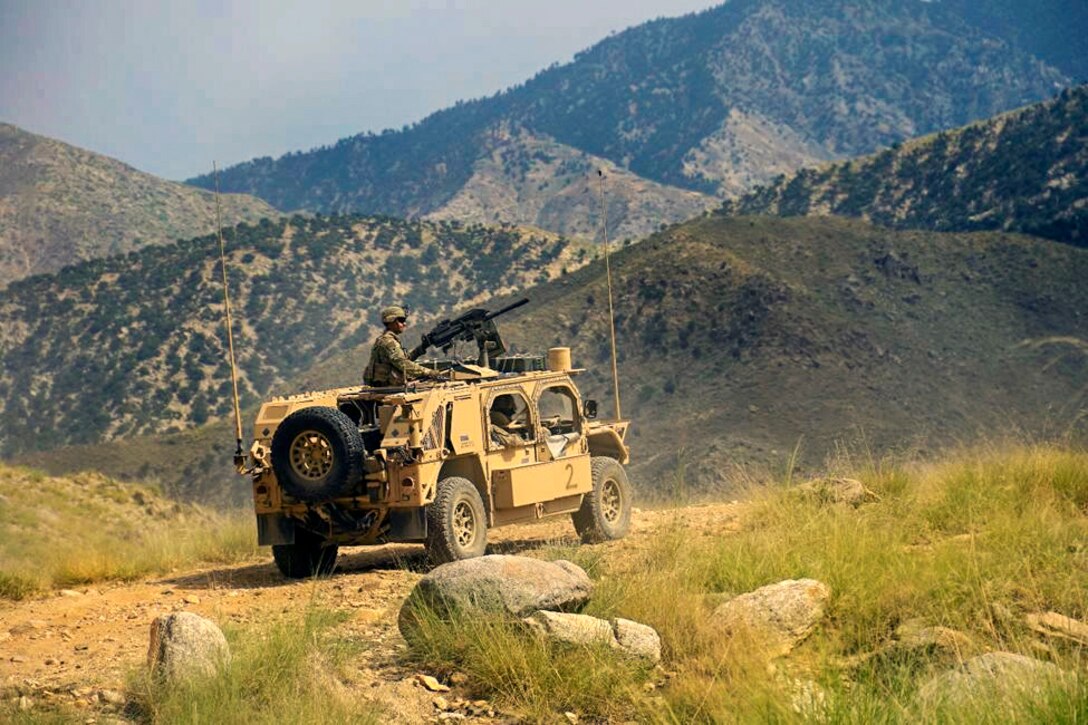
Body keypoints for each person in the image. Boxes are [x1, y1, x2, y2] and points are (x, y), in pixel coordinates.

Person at [364, 305, 439, 386]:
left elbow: (403, 359)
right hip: (388, 386)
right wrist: (428, 372)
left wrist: (422, 348)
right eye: (401, 320)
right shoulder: (389, 342)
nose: (405, 324)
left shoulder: (385, 339)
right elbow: (403, 363)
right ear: (391, 321)